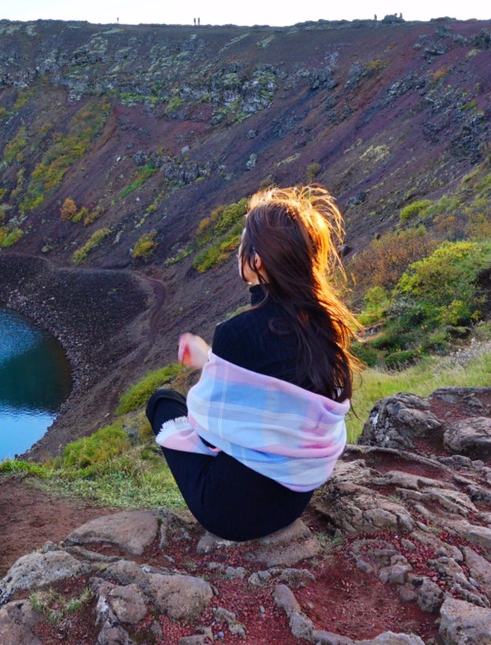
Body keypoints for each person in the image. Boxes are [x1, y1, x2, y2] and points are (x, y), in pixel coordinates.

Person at [143, 185, 358, 541]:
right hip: (294, 498)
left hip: (233, 513)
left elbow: (206, 421)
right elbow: (273, 381)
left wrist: (211, 363)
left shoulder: (236, 333)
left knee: (163, 403)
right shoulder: (325, 324)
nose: (238, 253)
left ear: (256, 261)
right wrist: (210, 361)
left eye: (243, 244)